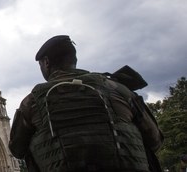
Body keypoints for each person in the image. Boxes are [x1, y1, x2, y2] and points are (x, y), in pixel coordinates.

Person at [9, 35, 163, 172]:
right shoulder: (119, 90)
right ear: (74, 60)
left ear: (46, 62)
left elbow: (17, 150)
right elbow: (154, 140)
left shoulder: (32, 102)